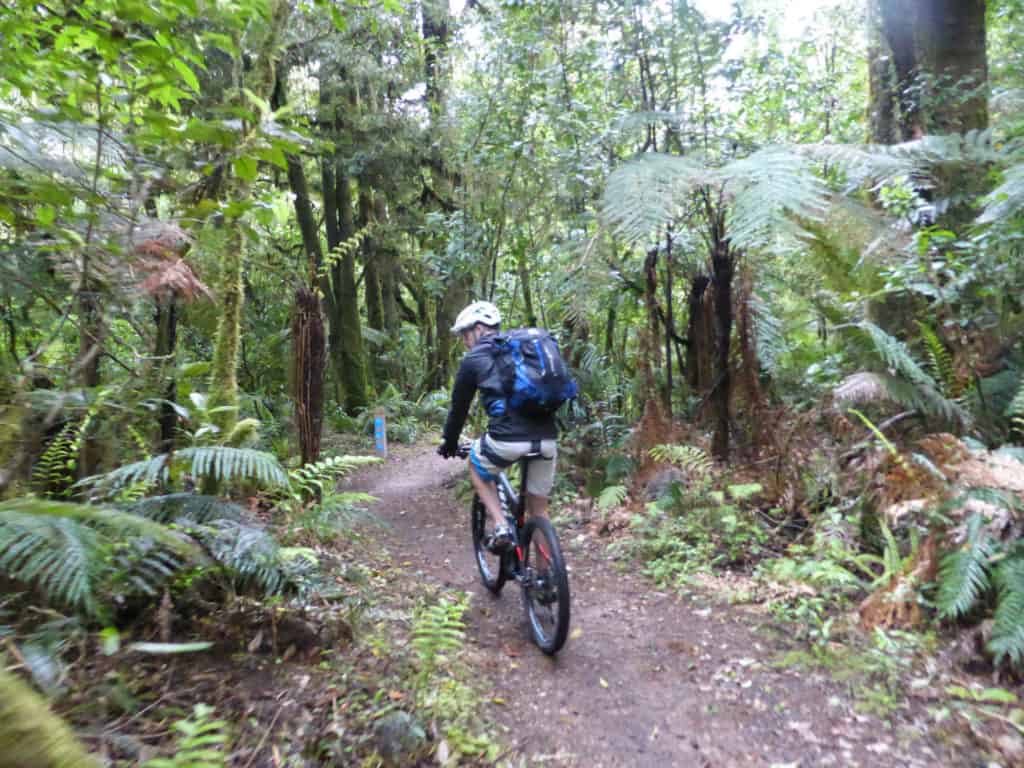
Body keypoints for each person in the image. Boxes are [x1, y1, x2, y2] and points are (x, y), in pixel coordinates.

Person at [437, 300, 558, 550]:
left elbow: (458, 410)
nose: (464, 341)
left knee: (475, 463)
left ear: (479, 329)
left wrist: (449, 443)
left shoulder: (474, 358)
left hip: (507, 439)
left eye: (465, 334)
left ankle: (501, 525)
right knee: (539, 510)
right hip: (547, 438)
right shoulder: (524, 350)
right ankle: (546, 583)